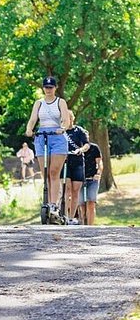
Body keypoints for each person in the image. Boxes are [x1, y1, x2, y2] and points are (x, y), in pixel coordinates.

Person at [25, 76, 70, 219]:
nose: (48, 90)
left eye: (51, 87)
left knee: (54, 172)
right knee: (45, 174)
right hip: (42, 136)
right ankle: (47, 201)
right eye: (46, 87)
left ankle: (53, 204)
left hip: (57, 136)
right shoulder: (38, 103)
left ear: (55, 88)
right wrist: (29, 129)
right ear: (43, 88)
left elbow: (66, 119)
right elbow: (33, 119)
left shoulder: (60, 102)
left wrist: (62, 128)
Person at [63, 110, 89, 224]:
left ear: (72, 119)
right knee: (66, 189)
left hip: (77, 162)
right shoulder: (61, 132)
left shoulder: (79, 131)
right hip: (65, 163)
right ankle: (64, 214)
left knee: (75, 191)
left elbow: (87, 144)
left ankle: (71, 217)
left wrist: (80, 150)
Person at [79, 142, 103, 225]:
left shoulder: (94, 147)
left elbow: (99, 162)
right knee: (81, 204)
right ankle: (83, 225)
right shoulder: (76, 148)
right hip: (79, 179)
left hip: (92, 179)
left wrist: (98, 173)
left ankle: (90, 226)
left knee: (91, 203)